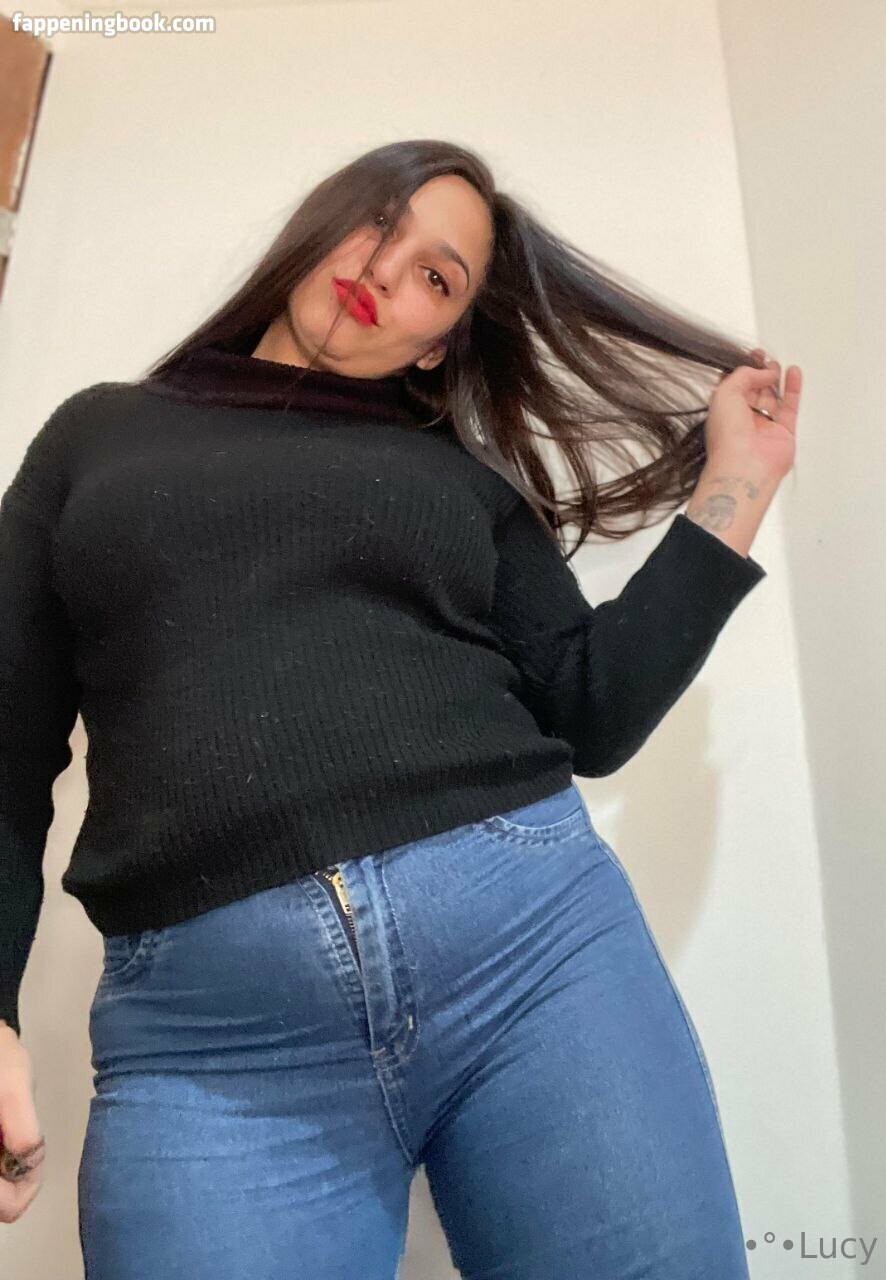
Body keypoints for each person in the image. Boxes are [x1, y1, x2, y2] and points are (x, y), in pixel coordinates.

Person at [0, 138, 800, 1277]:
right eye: (382, 221)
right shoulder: (96, 435)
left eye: (437, 275)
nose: (386, 267)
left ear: (439, 344)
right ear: (324, 220)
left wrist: (740, 479)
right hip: (214, 1046)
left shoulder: (461, 480)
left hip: (537, 959)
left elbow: (594, 708)